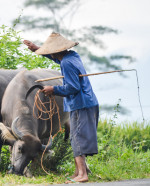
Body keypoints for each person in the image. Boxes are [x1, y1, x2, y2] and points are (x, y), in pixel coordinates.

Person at [24, 32, 99, 184]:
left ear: (55, 51)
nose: (49, 54)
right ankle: (78, 171)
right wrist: (37, 49)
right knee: (76, 137)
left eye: (49, 51)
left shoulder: (66, 63)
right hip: (85, 102)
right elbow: (57, 59)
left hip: (81, 104)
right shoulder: (72, 56)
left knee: (77, 138)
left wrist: (54, 90)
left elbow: (73, 87)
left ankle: (83, 174)